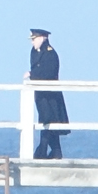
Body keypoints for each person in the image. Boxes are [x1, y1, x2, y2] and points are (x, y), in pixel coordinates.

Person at [27, 29, 69, 159]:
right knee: (46, 119)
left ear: (42, 38)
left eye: (34, 39)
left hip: (50, 95)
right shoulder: (34, 52)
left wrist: (31, 75)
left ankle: (43, 150)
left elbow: (49, 73)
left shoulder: (51, 54)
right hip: (40, 95)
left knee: (49, 119)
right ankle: (55, 151)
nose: (32, 42)